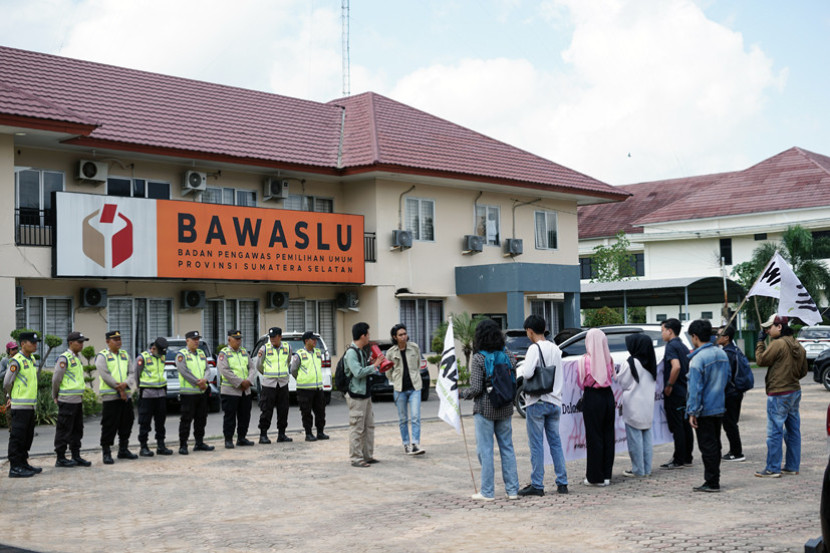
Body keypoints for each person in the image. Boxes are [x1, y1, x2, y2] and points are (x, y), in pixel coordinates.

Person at [463, 318, 519, 500]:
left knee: (485, 451)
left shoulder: (479, 358)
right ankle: (512, 491)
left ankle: (487, 492)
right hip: (505, 408)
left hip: (485, 410)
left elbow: (476, 389)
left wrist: (462, 393)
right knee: (507, 449)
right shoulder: (508, 355)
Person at [517, 314, 568, 496]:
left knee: (537, 445)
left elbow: (529, 373)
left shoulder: (534, 349)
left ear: (530, 331)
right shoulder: (555, 349)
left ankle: (537, 485)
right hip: (554, 401)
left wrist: (522, 370)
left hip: (537, 401)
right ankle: (562, 482)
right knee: (555, 443)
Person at [754, 315, 808, 478]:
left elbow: (761, 360)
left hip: (779, 393)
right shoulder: (797, 345)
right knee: (793, 431)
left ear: (779, 327)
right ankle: (792, 466)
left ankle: (773, 468)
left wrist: (760, 342)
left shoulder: (778, 344)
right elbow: (803, 371)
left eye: (769, 328)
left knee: (775, 432)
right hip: (794, 390)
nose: (767, 331)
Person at [686, 320, 730, 492]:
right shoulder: (722, 354)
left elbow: (695, 389)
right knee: (715, 445)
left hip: (704, 409)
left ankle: (712, 481)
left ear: (695, 337)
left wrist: (692, 412)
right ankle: (714, 478)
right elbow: (728, 379)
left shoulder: (698, 360)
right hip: (718, 406)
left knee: (707, 446)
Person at [578, 328, 616, 486]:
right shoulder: (609, 359)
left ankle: (595, 477)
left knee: (594, 437)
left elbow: (580, 382)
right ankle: (607, 475)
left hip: (592, 397)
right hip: (608, 396)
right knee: (608, 436)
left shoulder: (585, 360)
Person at [616, 333, 657, 478]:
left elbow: (622, 382)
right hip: (647, 405)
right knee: (646, 439)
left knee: (635, 440)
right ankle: (647, 468)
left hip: (633, 406)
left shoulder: (631, 362)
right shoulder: (652, 362)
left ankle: (638, 470)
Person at [343, 323, 383, 467]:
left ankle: (367, 455)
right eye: (368, 334)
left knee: (369, 426)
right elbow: (357, 372)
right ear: (362, 336)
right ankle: (356, 458)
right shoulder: (352, 352)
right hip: (356, 395)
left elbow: (362, 369)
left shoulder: (360, 351)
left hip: (365, 394)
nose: (369, 337)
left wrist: (370, 363)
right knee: (357, 428)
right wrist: (375, 365)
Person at [4, 332, 42, 477]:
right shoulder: (16, 361)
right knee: (17, 437)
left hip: (30, 406)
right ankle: (15, 467)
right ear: (23, 344)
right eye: (32, 342)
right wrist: (10, 396)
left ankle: (23, 463)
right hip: (20, 406)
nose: (35, 345)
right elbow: (7, 382)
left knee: (27, 437)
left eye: (36, 342)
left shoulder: (31, 359)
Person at [96, 330, 137, 465]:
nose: (119, 342)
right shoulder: (103, 356)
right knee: (109, 425)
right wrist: (119, 388)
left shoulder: (125, 355)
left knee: (127, 422)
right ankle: (107, 452)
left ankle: (123, 449)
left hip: (125, 397)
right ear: (108, 341)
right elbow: (105, 375)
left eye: (119, 339)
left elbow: (131, 372)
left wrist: (126, 384)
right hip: (110, 397)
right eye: (115, 339)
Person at [52, 331, 92, 468]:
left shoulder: (76, 358)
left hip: (77, 400)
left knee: (77, 429)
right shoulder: (64, 358)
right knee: (64, 429)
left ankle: (76, 455)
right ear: (70, 343)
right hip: (67, 399)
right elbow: (56, 378)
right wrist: (55, 395)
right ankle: (61, 457)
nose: (81, 345)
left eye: (82, 342)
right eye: (79, 342)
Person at [385, 323, 425, 455]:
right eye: (400, 335)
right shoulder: (391, 353)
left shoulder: (414, 348)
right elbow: (388, 371)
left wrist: (415, 376)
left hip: (415, 387)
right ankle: (406, 444)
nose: (404, 337)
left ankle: (415, 443)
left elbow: (418, 364)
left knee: (415, 416)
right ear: (395, 337)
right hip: (399, 389)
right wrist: (395, 380)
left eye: (405, 334)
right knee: (402, 419)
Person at [660, 318, 694, 469]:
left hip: (675, 392)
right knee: (685, 424)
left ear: (669, 331)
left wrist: (669, 385)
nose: (662, 334)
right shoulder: (683, 346)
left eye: (663, 331)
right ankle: (687, 456)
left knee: (677, 426)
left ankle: (678, 458)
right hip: (684, 390)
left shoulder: (671, 346)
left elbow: (676, 366)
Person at [175, 330, 215, 455]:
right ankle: (183, 445)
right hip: (188, 393)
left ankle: (199, 443)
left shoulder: (201, 353)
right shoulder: (182, 355)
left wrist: (205, 379)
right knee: (186, 420)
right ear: (187, 341)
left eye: (198, 339)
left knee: (201, 419)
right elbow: (184, 372)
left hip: (201, 393)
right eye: (194, 339)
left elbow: (207, 369)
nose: (197, 341)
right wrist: (198, 382)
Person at [217, 329, 257, 449]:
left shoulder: (244, 352)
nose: (239, 342)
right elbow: (225, 370)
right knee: (230, 416)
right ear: (229, 340)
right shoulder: (224, 353)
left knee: (244, 416)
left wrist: (249, 381)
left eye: (240, 339)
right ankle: (228, 439)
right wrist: (240, 382)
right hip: (230, 391)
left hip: (245, 390)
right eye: (236, 339)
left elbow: (252, 367)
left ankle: (242, 438)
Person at [290, 331, 330, 442]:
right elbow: (293, 370)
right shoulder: (299, 354)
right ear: (306, 341)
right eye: (313, 339)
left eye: (316, 339)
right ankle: (308, 434)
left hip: (318, 388)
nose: (315, 341)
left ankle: (320, 432)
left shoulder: (318, 353)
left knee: (320, 412)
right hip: (304, 389)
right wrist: (301, 379)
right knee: (306, 413)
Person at [136, 337, 172, 457]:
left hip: (160, 393)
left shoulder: (161, 356)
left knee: (160, 422)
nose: (162, 354)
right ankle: (143, 447)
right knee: (145, 422)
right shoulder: (143, 358)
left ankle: (161, 446)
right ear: (153, 348)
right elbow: (136, 374)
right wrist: (137, 390)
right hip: (147, 394)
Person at [256, 326, 292, 444]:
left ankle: (281, 434)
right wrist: (267, 374)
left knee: (283, 409)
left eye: (274, 337)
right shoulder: (264, 348)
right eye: (270, 337)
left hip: (282, 383)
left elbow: (288, 361)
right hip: (269, 384)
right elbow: (259, 366)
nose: (272, 339)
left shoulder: (287, 347)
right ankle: (263, 435)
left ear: (280, 337)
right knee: (266, 409)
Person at [717, 325, 746, 462]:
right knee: (731, 422)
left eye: (719, 335)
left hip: (730, 393)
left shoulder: (727, 354)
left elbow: (725, 376)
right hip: (737, 392)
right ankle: (735, 450)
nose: (717, 338)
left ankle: (736, 452)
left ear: (726, 337)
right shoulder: (735, 350)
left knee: (730, 423)